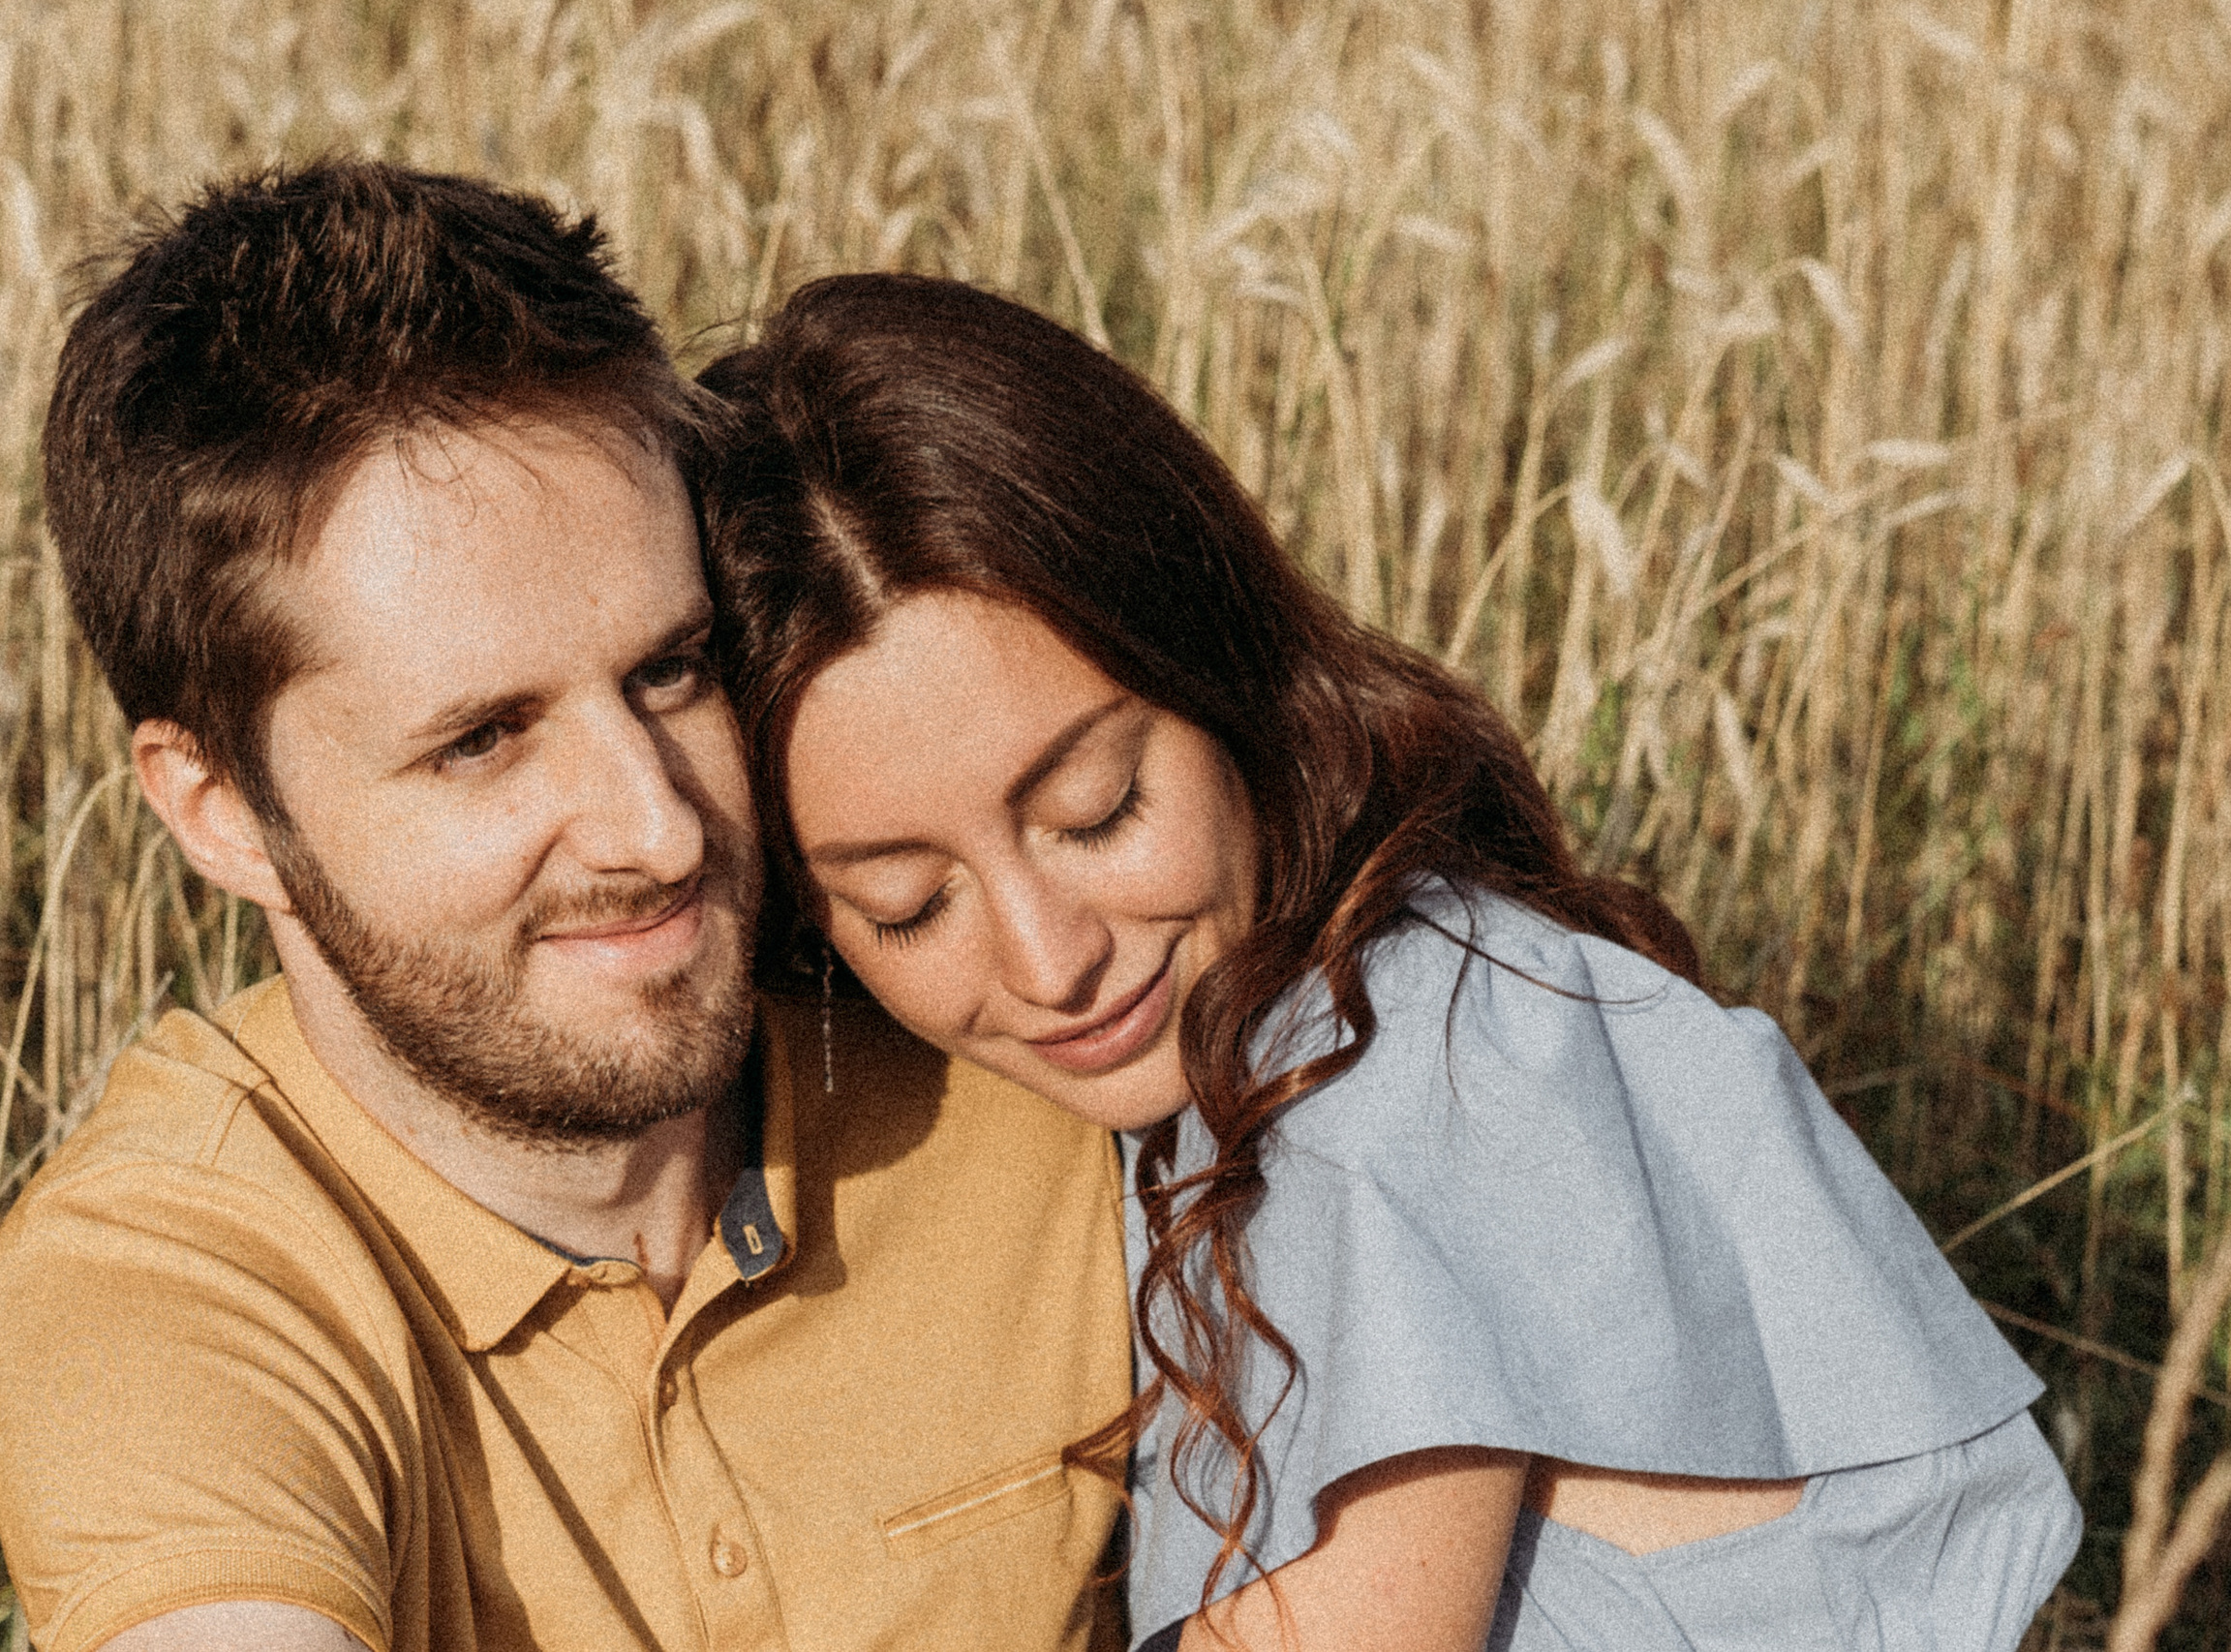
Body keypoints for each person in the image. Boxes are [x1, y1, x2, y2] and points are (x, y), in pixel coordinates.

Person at [692, 271, 2083, 1651]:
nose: (1053, 961)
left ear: (1218, 669)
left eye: (1098, 810)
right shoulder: (1406, 987)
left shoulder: (1379, 1086)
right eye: (908, 906)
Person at [0, 168, 1133, 1652]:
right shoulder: (173, 1287)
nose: (657, 827)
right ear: (221, 808)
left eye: (672, 671)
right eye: (485, 738)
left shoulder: (1025, 1024)